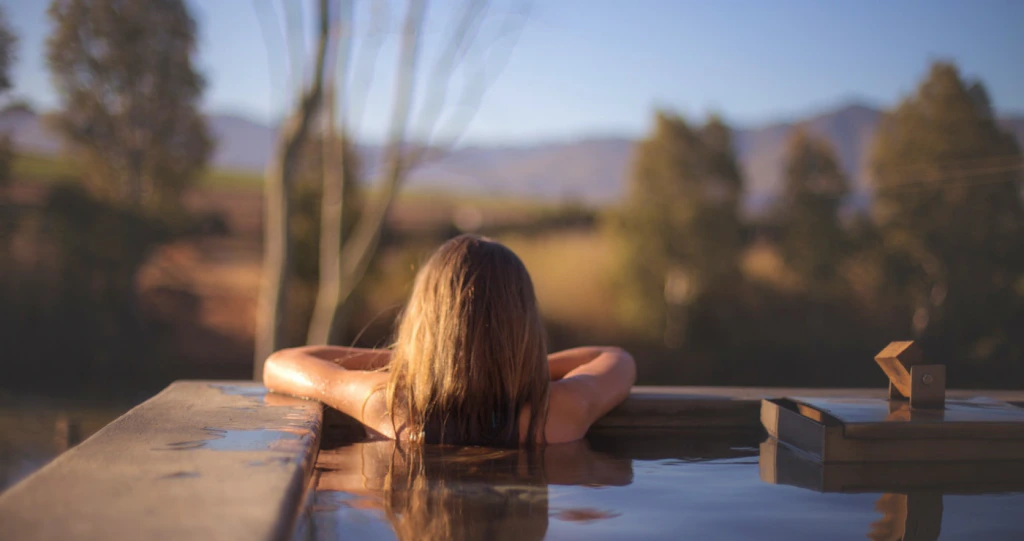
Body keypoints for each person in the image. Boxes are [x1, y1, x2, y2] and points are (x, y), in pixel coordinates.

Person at [263, 234, 636, 446]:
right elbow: (615, 357)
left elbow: (280, 363)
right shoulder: (562, 410)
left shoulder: (386, 403)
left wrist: (414, 364)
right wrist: (513, 369)